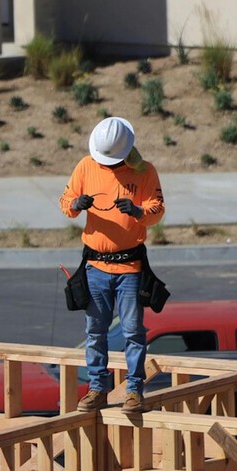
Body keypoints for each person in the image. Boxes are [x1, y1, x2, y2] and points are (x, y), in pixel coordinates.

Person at [59, 116, 165, 414]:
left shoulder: (144, 172)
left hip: (129, 266)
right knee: (95, 329)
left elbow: (157, 210)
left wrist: (138, 211)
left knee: (133, 330)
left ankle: (133, 389)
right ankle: (97, 387)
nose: (105, 164)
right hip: (96, 265)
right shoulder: (86, 166)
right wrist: (76, 204)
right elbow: (65, 201)